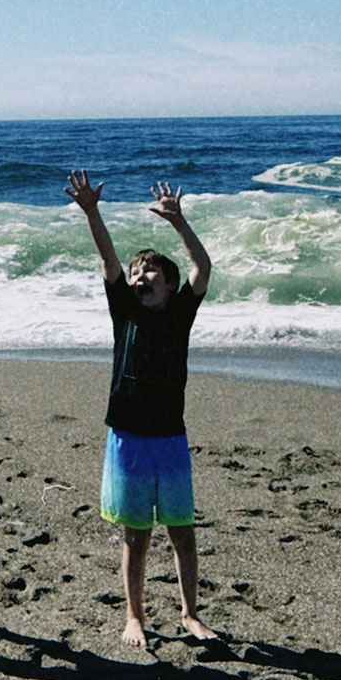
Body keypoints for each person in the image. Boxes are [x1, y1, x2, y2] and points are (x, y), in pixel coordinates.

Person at [65, 168, 215, 649]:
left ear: (168, 285)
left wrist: (179, 222)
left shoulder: (180, 313)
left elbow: (203, 268)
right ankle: (135, 616)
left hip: (170, 435)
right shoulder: (123, 310)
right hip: (128, 435)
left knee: (181, 531)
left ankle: (190, 614)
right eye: (136, 273)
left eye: (150, 271)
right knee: (136, 535)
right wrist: (92, 211)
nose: (140, 277)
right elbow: (107, 257)